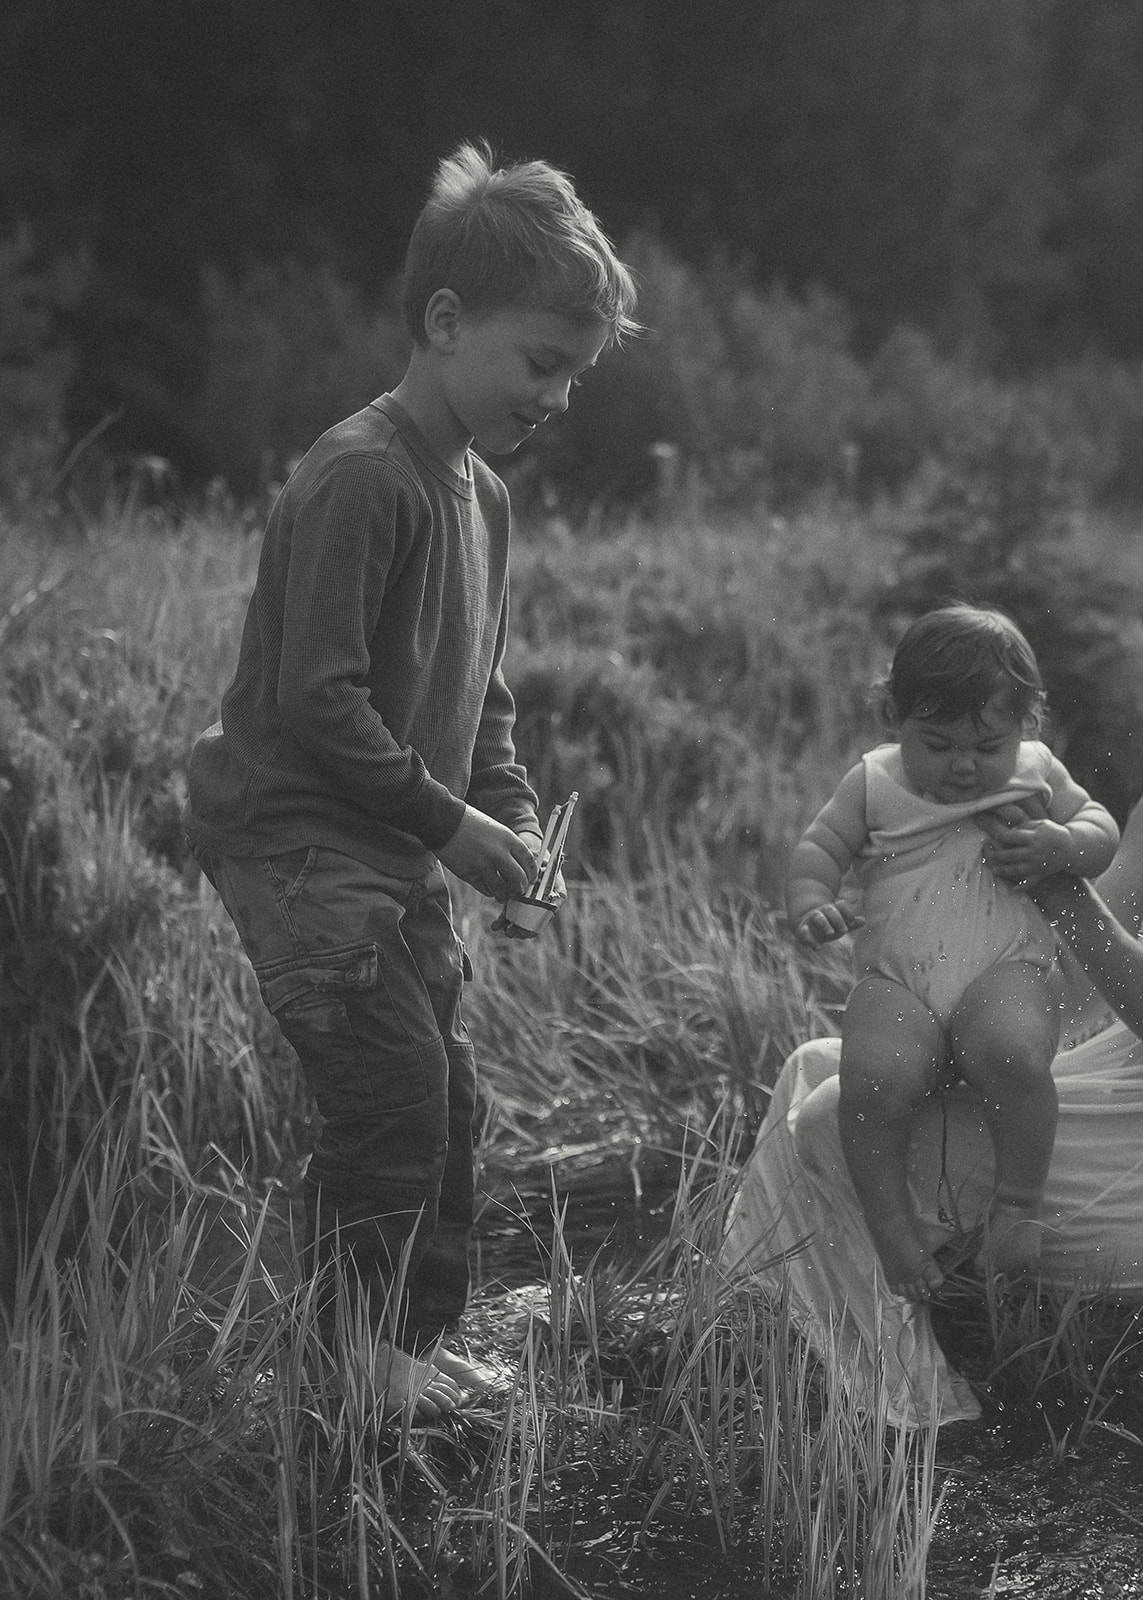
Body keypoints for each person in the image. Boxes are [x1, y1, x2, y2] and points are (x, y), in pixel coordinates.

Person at [183, 141, 639, 1421]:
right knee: (388, 1103)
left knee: (450, 1101)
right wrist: (452, 828)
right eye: (541, 363)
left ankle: (400, 1362)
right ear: (445, 322)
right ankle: (337, 1379)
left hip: (389, 843)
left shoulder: (483, 498)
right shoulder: (362, 475)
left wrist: (514, 823)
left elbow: (479, 696)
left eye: (576, 376)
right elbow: (316, 705)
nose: (556, 397)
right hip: (299, 838)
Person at [723, 795, 1143, 1430]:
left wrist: (1060, 891)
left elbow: (1082, 920)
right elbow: (1078, 989)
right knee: (813, 1067)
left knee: (832, 1117)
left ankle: (915, 1413)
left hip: (1129, 1166)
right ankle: (751, 1337)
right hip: (1111, 1094)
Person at [784, 606, 1119, 1300]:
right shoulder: (873, 783)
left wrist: (1063, 845)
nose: (963, 765)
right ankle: (891, 1229)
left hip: (1003, 968)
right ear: (892, 717)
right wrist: (812, 902)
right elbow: (819, 849)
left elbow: (1099, 827)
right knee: (870, 1081)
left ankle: (1017, 1204)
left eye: (985, 745)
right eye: (935, 744)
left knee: (1013, 1054)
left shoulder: (1034, 772)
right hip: (899, 977)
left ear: (1026, 726)